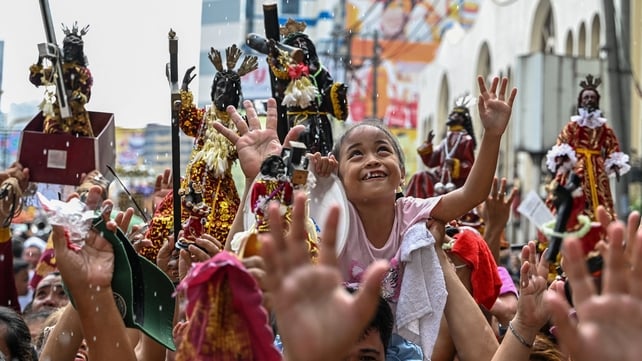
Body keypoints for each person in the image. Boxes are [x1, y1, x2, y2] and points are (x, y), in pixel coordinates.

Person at [217, 75, 516, 358]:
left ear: (401, 173)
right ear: (340, 178)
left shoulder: (411, 213)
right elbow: (268, 229)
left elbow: (471, 195)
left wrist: (491, 136)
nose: (372, 160)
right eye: (356, 155)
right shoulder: (331, 216)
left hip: (391, 348)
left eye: (382, 151)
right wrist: (266, 175)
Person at [143, 44, 258, 259]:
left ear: (236, 96)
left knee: (223, 228)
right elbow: (185, 117)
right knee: (166, 223)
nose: (223, 92)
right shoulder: (205, 117)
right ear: (213, 90)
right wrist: (181, 88)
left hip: (221, 185)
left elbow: (248, 150)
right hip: (192, 184)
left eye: (228, 89)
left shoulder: (239, 124)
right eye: (219, 87)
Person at [247, 18, 349, 155]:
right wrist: (275, 57)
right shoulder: (285, 71)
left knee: (323, 151)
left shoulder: (319, 70)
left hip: (319, 119)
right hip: (296, 119)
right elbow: (280, 88)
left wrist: (336, 93)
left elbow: (327, 92)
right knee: (300, 142)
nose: (302, 47)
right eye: (297, 44)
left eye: (304, 43)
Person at [544, 74, 630, 223]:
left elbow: (612, 146)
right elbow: (562, 142)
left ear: (597, 101)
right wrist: (562, 157)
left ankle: (602, 223)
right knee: (575, 195)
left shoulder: (604, 128)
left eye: (592, 97)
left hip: (597, 168)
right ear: (581, 101)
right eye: (586, 97)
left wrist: (614, 163)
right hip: (577, 167)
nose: (589, 100)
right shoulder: (572, 126)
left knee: (601, 196)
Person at [28, 22, 94, 137]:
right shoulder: (57, 69)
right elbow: (35, 79)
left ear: (78, 51)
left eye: (72, 48)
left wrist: (77, 96)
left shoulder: (83, 72)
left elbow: (86, 96)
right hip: (57, 112)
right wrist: (40, 60)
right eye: (67, 47)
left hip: (75, 115)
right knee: (52, 131)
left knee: (81, 139)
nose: (68, 50)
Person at [411, 94, 477, 196]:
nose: (451, 116)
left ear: (462, 119)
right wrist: (428, 144)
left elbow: (470, 166)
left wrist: (455, 164)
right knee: (419, 176)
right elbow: (431, 161)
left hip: (456, 183)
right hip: (440, 180)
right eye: (451, 114)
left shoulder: (466, 140)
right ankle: (410, 208)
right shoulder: (445, 141)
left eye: (455, 114)